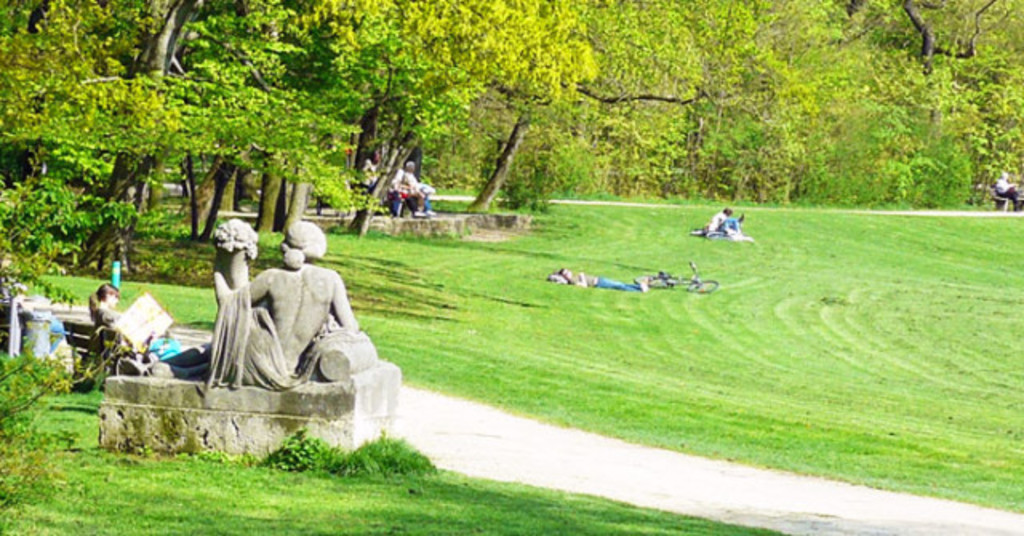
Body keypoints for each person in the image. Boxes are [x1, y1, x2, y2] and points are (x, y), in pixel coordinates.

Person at [547, 268, 649, 293]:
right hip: (598, 283)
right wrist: (582, 276)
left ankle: (639, 287)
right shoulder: (572, 281)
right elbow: (583, 285)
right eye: (566, 273)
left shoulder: (573, 278)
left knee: (620, 284)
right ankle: (639, 290)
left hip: (599, 279)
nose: (569, 272)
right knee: (619, 286)